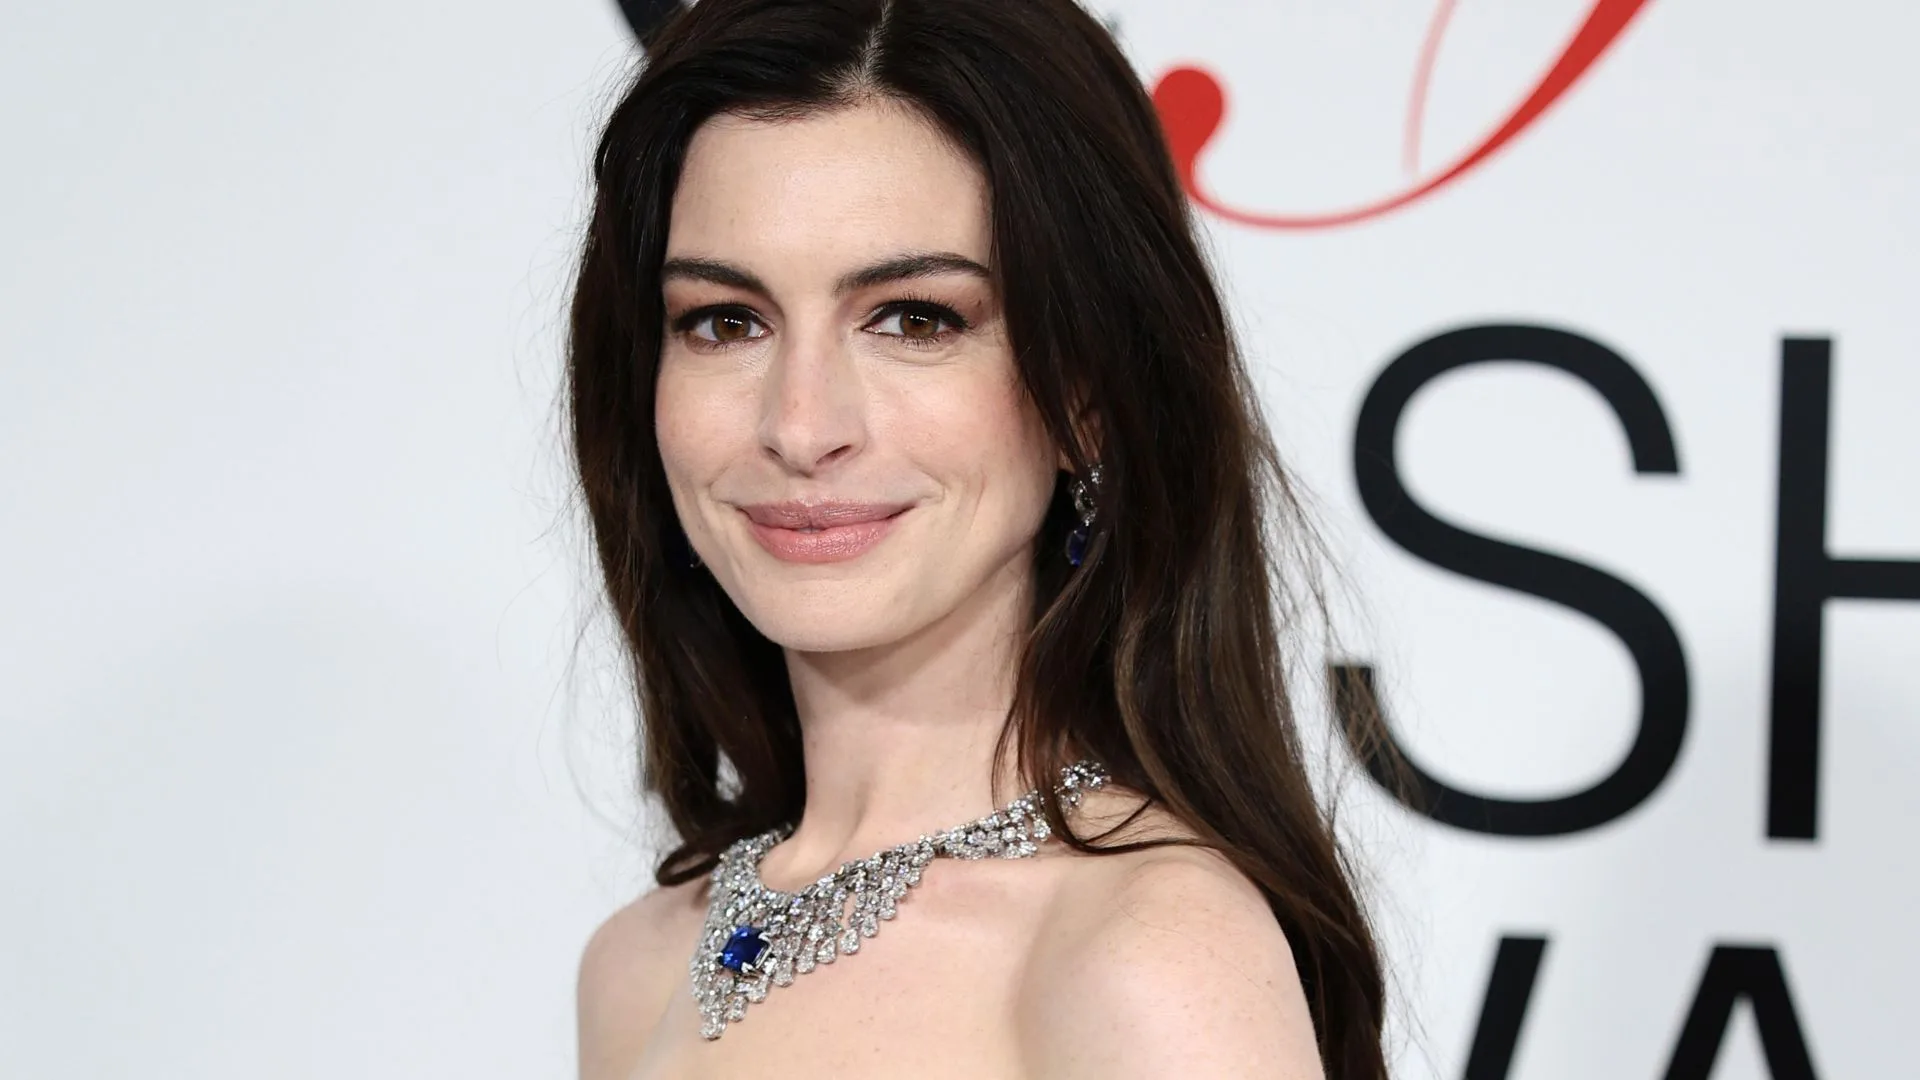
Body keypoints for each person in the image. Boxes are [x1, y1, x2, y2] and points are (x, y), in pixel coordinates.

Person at [567, 0, 1391, 1076]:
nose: (800, 426)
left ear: (1086, 395)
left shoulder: (1145, 956)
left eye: (916, 317)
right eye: (726, 321)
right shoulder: (638, 963)